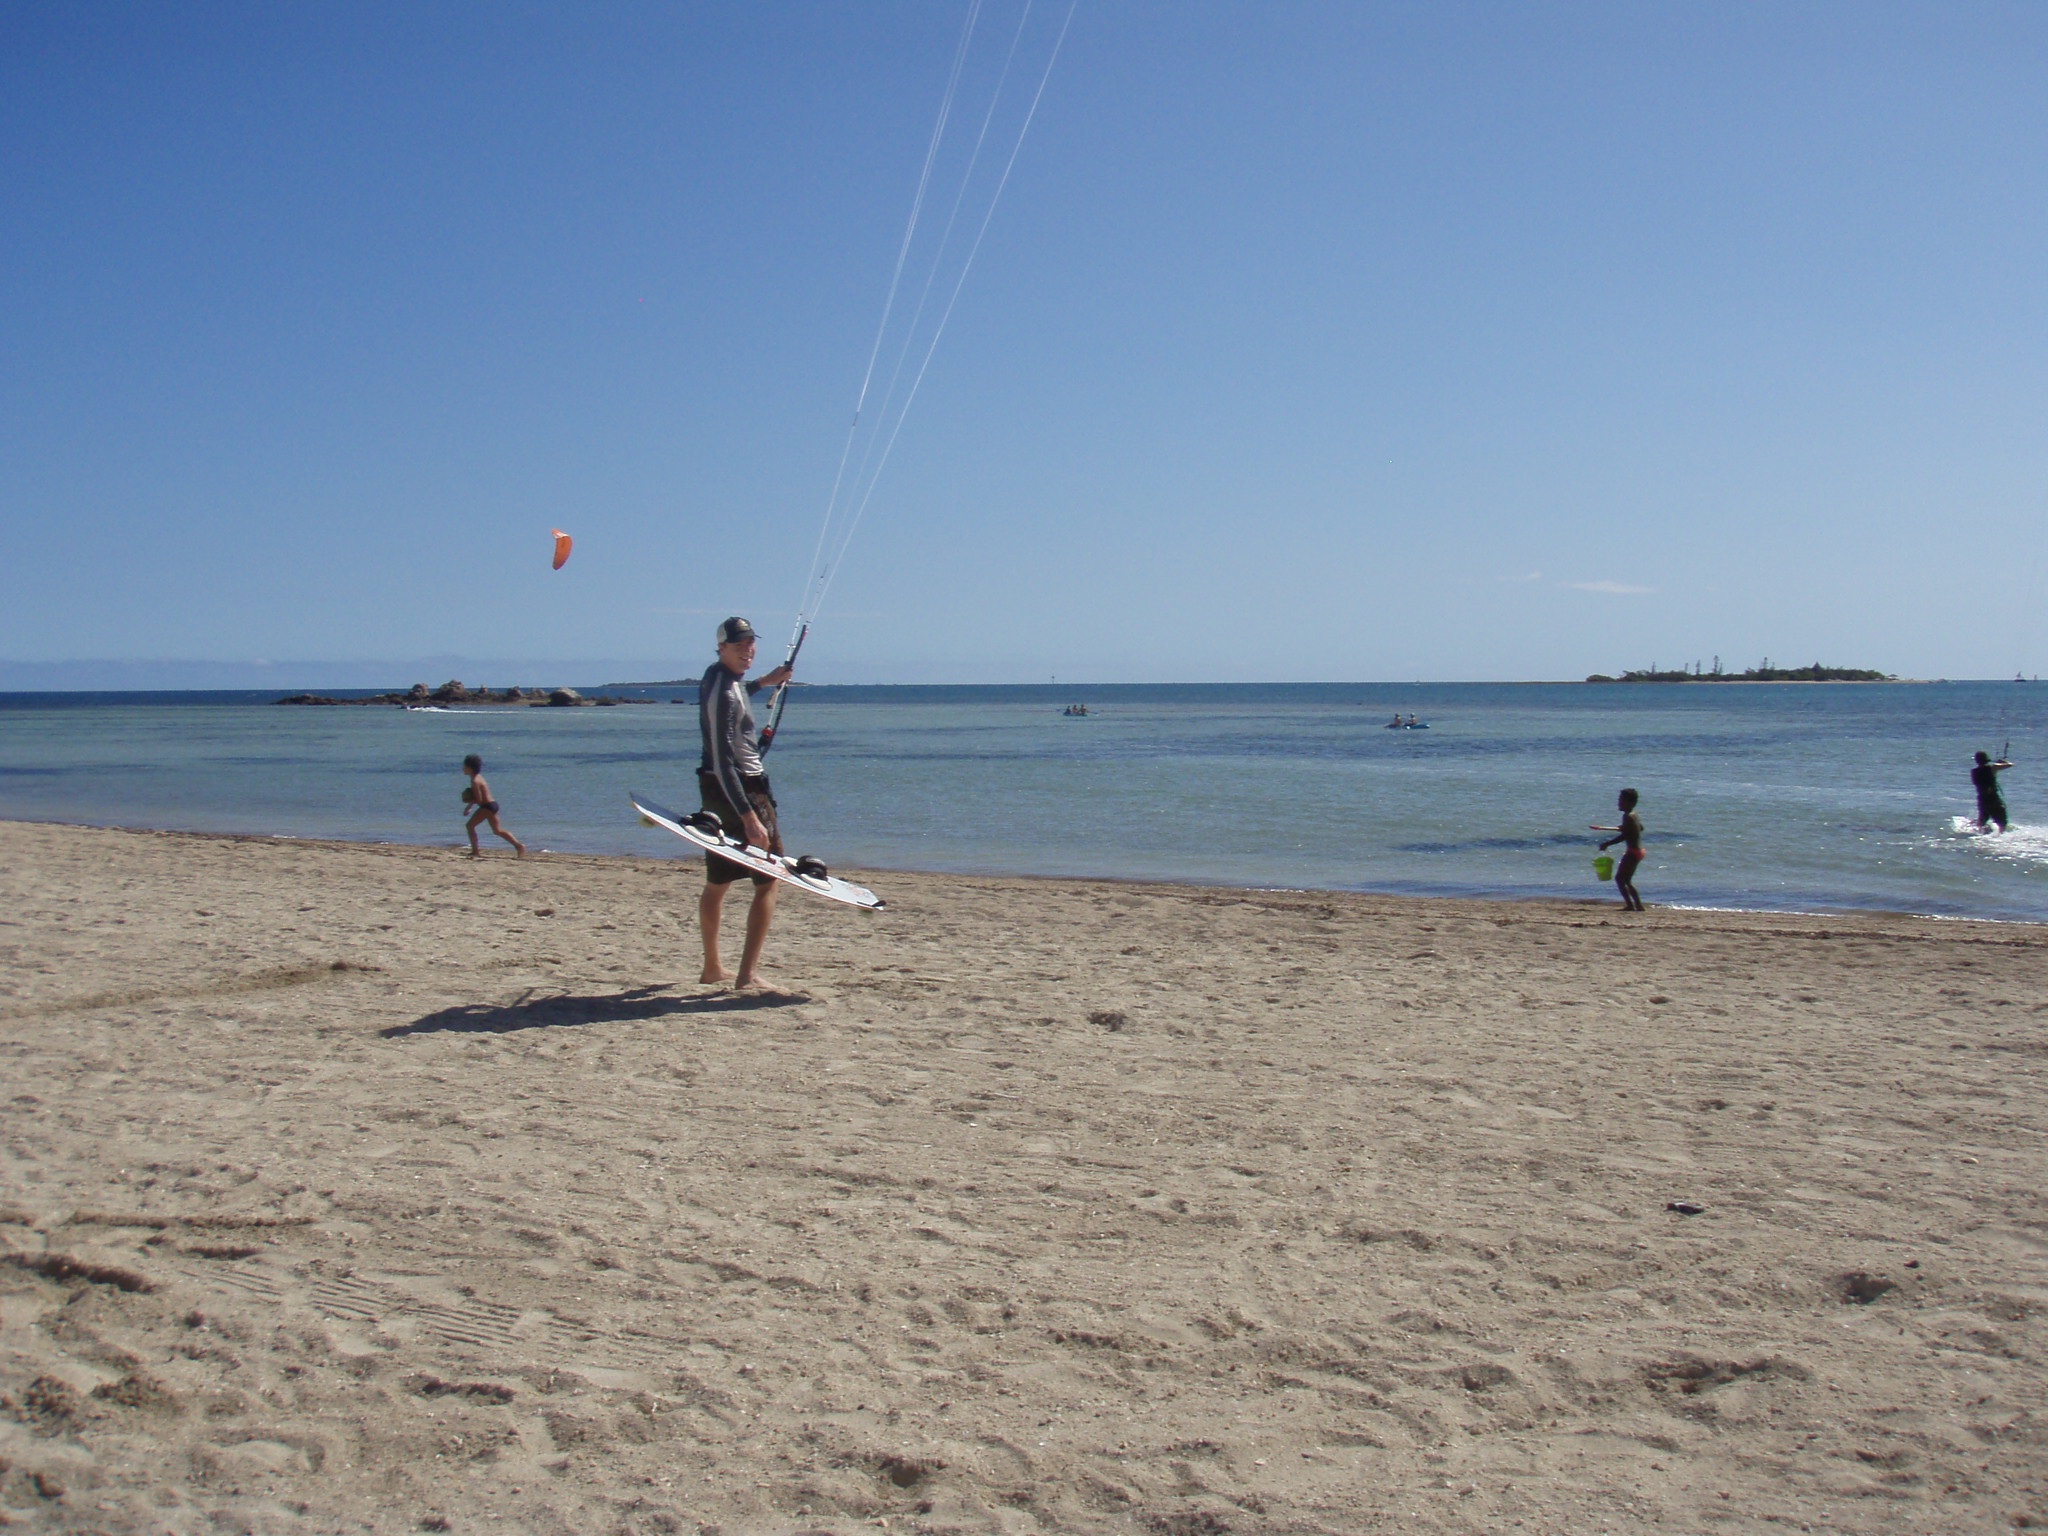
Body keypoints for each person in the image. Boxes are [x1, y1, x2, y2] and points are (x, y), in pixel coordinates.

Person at [697, 617, 794, 988]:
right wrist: (749, 816)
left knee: (718, 882)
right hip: (740, 787)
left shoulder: (718, 677)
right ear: (721, 647)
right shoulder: (723, 690)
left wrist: (765, 683)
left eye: (751, 643)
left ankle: (712, 969)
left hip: (713, 789)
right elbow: (724, 761)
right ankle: (747, 975)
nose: (747, 650)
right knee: (769, 879)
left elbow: (737, 695)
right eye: (739, 646)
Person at [1592, 787, 1646, 912]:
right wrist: (1626, 828)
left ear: (1630, 803)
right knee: (1626, 880)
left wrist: (1607, 844)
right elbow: (1641, 828)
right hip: (1638, 851)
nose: (1619, 803)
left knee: (1620, 879)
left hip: (1632, 852)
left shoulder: (1627, 817)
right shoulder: (1634, 815)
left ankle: (1631, 905)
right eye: (1619, 800)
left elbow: (1625, 836)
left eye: (1622, 801)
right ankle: (1637, 905)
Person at [461, 755, 525, 858]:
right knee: (497, 830)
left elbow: (479, 800)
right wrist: (469, 806)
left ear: (470, 768)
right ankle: (519, 846)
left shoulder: (475, 781)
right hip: (492, 805)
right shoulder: (478, 777)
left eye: (464, 766)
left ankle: (475, 851)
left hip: (487, 806)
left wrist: (469, 801)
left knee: (470, 826)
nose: (463, 768)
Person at [1971, 750, 2013, 832]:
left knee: (1982, 820)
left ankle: (1979, 833)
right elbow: (2010, 765)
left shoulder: (1974, 771)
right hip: (1993, 799)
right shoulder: (1993, 767)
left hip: (1982, 799)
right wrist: (2003, 761)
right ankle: (2000, 836)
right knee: (2002, 823)